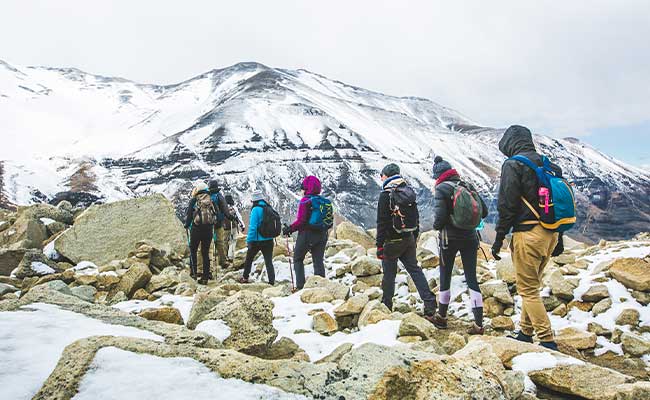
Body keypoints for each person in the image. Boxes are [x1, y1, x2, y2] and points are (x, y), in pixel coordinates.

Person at [491, 125, 564, 351]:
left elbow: (507, 204)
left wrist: (500, 236)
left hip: (528, 234)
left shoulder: (514, 165)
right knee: (532, 285)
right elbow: (557, 207)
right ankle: (524, 331)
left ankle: (546, 340)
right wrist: (559, 237)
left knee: (528, 290)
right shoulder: (550, 166)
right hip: (550, 234)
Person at [430, 156, 488, 334]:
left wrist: (437, 226)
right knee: (472, 278)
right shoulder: (467, 185)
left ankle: (441, 317)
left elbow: (439, 218)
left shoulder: (441, 188)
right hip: (471, 237)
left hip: (449, 238)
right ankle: (478, 324)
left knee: (445, 275)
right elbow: (484, 212)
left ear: (438, 175)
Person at [376, 163, 438, 320]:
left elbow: (382, 222)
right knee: (414, 270)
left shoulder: (386, 195)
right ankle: (430, 303)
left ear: (387, 176)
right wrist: (414, 236)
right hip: (408, 238)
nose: (381, 177)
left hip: (392, 241)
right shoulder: (408, 192)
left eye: (382, 175)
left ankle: (386, 305)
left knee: (389, 275)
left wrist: (379, 245)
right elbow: (415, 216)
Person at [282, 176, 331, 290]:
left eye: (303, 188)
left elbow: (301, 221)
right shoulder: (322, 201)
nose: (302, 191)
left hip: (307, 235)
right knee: (318, 261)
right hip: (322, 234)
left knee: (298, 259)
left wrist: (289, 229)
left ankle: (300, 287)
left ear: (307, 188)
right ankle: (321, 287)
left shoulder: (305, 201)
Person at [239, 191, 275, 285]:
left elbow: (253, 227)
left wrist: (249, 240)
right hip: (269, 239)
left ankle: (245, 277)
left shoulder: (256, 209)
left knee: (249, 259)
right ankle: (272, 281)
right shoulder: (268, 207)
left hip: (257, 240)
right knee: (268, 261)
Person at [184, 181, 216, 285]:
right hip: (208, 229)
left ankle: (193, 273)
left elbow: (189, 214)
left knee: (193, 250)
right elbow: (217, 213)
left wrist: (187, 225)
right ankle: (205, 277)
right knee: (205, 253)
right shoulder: (211, 200)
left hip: (197, 229)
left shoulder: (194, 200)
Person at [208, 180, 235, 272]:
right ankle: (222, 261)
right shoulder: (219, 196)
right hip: (218, 223)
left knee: (209, 243)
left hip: (207, 223)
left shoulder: (206, 196)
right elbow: (225, 209)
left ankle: (209, 263)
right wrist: (230, 217)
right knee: (219, 242)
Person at [223, 194, 246, 262]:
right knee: (233, 241)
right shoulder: (233, 208)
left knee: (225, 242)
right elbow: (239, 217)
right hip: (233, 227)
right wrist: (242, 225)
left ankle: (225, 256)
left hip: (224, 227)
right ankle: (231, 256)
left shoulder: (222, 208)